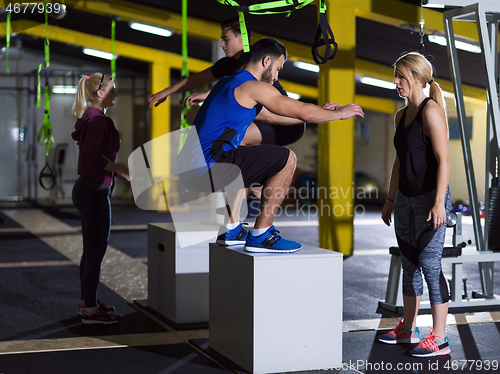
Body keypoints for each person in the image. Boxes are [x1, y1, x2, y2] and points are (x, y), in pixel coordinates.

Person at [177, 38, 364, 253]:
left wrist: (323, 113)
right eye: (278, 68)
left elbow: (274, 117)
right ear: (267, 61)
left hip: (192, 168)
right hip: (209, 166)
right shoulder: (253, 86)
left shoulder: (229, 82)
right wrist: (339, 114)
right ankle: (262, 235)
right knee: (287, 159)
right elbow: (301, 110)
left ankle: (231, 229)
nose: (276, 77)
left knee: (241, 152)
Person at [379, 52, 452, 357]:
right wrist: (390, 199)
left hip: (429, 199)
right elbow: (399, 162)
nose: (396, 83)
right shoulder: (400, 116)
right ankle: (409, 328)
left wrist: (438, 203)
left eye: (402, 77)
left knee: (430, 266)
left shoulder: (430, 111)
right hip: (406, 200)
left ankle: (440, 338)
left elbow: (444, 159)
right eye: (395, 76)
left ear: (418, 78)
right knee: (408, 263)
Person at [147, 17, 305, 149]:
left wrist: (208, 94)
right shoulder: (227, 64)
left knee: (234, 139)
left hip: (287, 125)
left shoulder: (250, 61)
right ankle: (252, 185)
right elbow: (196, 79)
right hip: (264, 120)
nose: (222, 44)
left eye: (226, 39)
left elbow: (240, 86)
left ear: (241, 38)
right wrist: (164, 93)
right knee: (228, 139)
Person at [71, 73, 130, 324]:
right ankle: (90, 310)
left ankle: (89, 303)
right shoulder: (98, 122)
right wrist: (121, 169)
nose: (116, 94)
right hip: (93, 192)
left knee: (92, 251)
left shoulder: (92, 118)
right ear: (100, 93)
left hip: (90, 190)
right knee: (95, 251)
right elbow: (91, 158)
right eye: (113, 90)